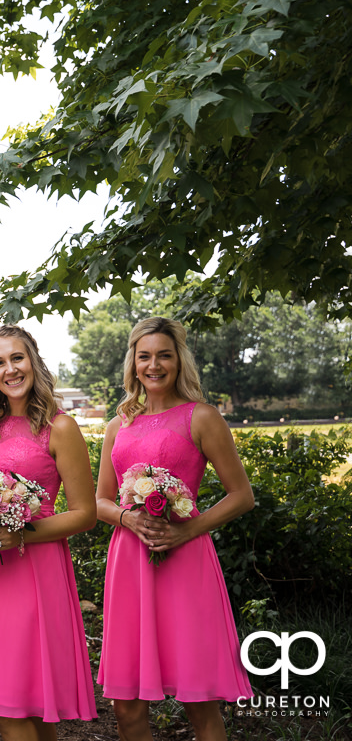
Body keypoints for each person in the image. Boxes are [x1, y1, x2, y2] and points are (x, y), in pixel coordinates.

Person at [95, 317, 254, 741]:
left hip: (185, 562)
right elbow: (100, 502)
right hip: (129, 564)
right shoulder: (117, 425)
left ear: (178, 360)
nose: (154, 365)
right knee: (126, 709)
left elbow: (242, 495)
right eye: (144, 356)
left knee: (199, 703)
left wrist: (188, 530)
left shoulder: (201, 417)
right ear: (133, 363)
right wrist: (128, 517)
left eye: (164, 355)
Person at [0, 325, 98, 739]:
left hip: (34, 566)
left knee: (15, 704)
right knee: (21, 697)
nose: (10, 369)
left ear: (34, 361)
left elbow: (85, 514)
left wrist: (22, 534)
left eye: (17, 358)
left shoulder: (60, 427)